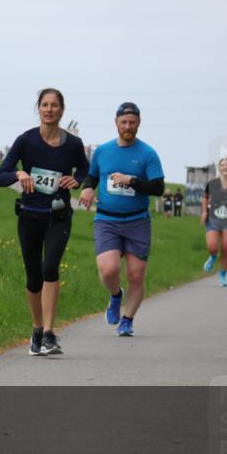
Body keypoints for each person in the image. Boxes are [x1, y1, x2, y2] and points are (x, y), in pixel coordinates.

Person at [0, 88, 90, 356]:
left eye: (54, 105)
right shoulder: (25, 141)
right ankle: (37, 328)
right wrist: (19, 173)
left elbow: (84, 168)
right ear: (39, 109)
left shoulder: (72, 144)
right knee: (34, 277)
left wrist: (77, 180)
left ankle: (49, 333)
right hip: (29, 216)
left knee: (50, 269)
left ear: (62, 110)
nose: (49, 109)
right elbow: (0, 176)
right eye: (44, 105)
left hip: (58, 216)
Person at [79, 103, 165, 336]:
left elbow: (158, 188)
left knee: (136, 274)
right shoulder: (103, 151)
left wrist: (132, 180)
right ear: (116, 123)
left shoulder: (148, 153)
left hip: (137, 221)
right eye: (123, 122)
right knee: (108, 270)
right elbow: (92, 176)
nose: (128, 126)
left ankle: (127, 320)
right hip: (107, 220)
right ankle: (116, 296)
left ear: (139, 123)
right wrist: (87, 189)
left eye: (132, 122)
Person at [202, 158, 227, 286]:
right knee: (212, 247)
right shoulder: (212, 183)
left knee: (226, 247)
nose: (225, 167)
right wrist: (204, 212)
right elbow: (205, 198)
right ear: (219, 168)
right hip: (213, 219)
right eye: (223, 165)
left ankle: (222, 277)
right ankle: (213, 257)